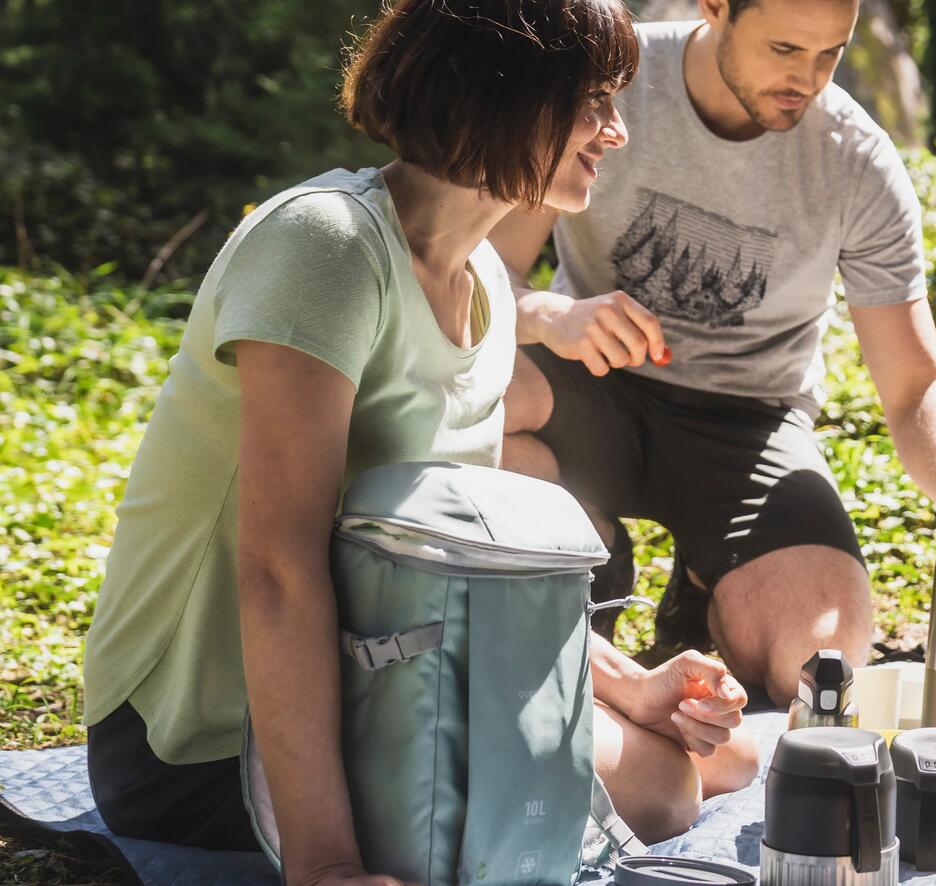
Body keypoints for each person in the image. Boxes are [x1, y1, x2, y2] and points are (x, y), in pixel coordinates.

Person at [82, 3, 751, 881]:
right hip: (202, 736)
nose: (617, 132)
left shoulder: (485, 287)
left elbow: (453, 568)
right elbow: (278, 569)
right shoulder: (323, 247)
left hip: (371, 672)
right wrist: (325, 866)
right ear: (502, 92)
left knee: (722, 758)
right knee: (668, 785)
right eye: (593, 101)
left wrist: (630, 685)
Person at [489, 0, 936, 704]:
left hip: (748, 429)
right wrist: (550, 313)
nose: (805, 78)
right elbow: (482, 272)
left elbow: (913, 385)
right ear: (714, 7)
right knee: (478, 391)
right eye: (784, 48)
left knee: (815, 672)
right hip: (592, 385)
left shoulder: (856, 161)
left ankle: (701, 580)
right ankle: (587, 548)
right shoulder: (609, 84)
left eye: (828, 54)